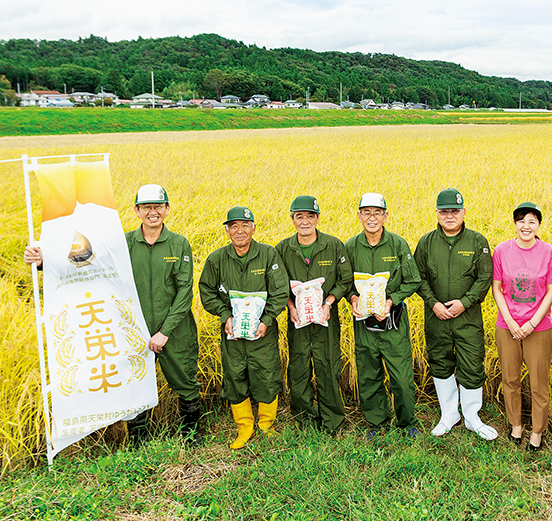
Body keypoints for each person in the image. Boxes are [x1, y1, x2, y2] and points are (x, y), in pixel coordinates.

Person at [24, 184, 202, 444]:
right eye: (146, 207)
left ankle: (191, 435)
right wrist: (43, 261)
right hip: (132, 328)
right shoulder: (123, 243)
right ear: (136, 211)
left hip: (175, 330)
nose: (153, 212)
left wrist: (164, 332)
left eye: (158, 206)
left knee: (185, 380)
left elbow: (185, 292)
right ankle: (138, 442)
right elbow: (86, 264)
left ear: (167, 209)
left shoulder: (178, 244)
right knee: (135, 383)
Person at [198, 206, 288, 449]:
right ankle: (244, 427)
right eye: (234, 226)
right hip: (232, 334)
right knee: (235, 376)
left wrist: (266, 320)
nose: (239, 231)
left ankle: (266, 425)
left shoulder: (268, 255)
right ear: (227, 230)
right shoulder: (217, 259)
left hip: (262, 332)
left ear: (253, 228)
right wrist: (225, 315)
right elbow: (206, 290)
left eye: (244, 225)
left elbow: (280, 292)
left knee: (267, 375)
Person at [414, 188, 498, 440]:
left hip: (467, 318)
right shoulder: (426, 242)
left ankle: (472, 417)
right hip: (436, 317)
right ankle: (449, 414)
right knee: (440, 362)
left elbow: (485, 277)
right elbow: (419, 277)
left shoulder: (476, 241)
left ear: (463, 212)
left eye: (455, 211)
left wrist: (465, 302)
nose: (449, 216)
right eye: (444, 211)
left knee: (472, 364)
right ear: (437, 213)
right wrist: (433, 304)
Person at [345, 193, 422, 438]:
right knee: (369, 374)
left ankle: (406, 421)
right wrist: (353, 298)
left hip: (393, 323)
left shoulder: (398, 244)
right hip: (363, 324)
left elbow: (413, 280)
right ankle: (376, 422)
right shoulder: (351, 246)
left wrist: (391, 300)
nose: (372, 218)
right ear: (358, 216)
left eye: (377, 212)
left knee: (401, 376)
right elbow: (344, 282)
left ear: (386, 216)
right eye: (366, 212)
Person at [275, 195, 353, 434]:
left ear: (318, 218)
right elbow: (278, 286)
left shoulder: (333, 245)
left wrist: (328, 303)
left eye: (310, 216)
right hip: (298, 321)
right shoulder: (283, 249)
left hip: (325, 320)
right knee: (299, 370)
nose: (305, 221)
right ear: (292, 219)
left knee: (328, 368)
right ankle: (305, 421)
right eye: (300, 217)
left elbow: (345, 279)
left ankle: (333, 421)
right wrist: (291, 307)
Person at [492, 202, 552, 452]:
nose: (526, 226)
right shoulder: (502, 250)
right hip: (507, 325)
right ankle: (515, 426)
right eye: (521, 220)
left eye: (531, 221)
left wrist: (532, 323)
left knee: (538, 382)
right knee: (510, 379)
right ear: (514, 224)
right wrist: (511, 322)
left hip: (539, 327)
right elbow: (497, 288)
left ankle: (537, 431)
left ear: (539, 225)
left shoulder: (549, 253)